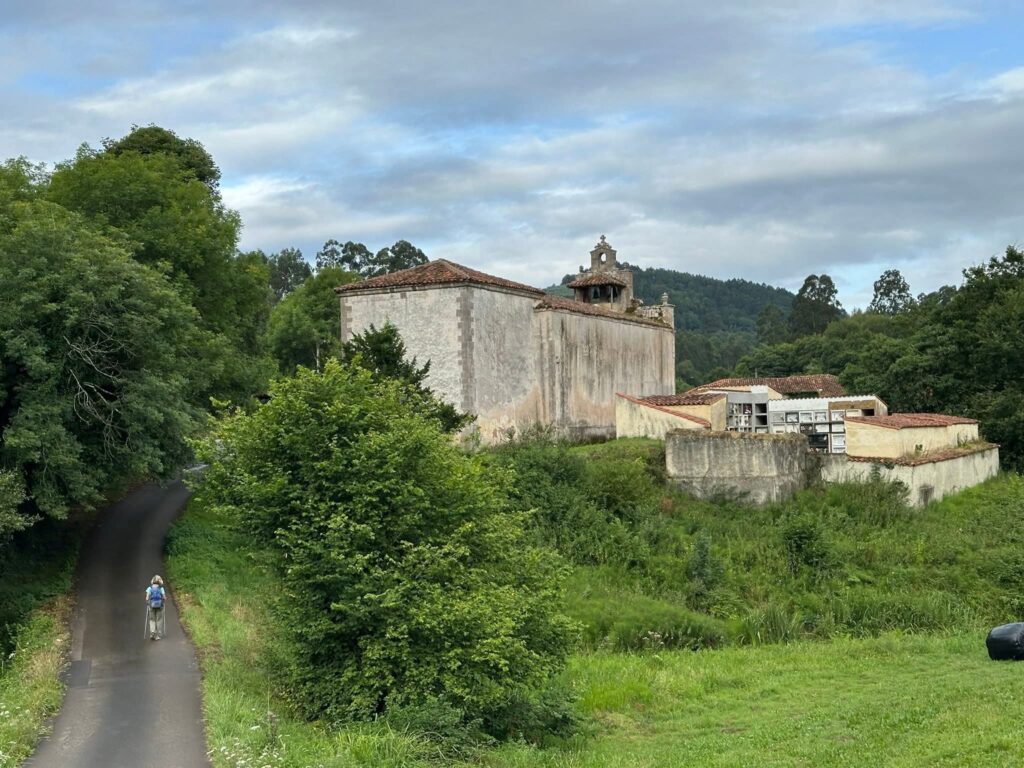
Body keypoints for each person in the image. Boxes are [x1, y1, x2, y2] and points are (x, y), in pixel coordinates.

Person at [145, 575, 166, 640]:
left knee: (152, 619)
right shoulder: (161, 589)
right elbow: (164, 597)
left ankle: (152, 633)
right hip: (159, 606)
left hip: (151, 606)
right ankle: (158, 635)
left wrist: (148, 602)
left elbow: (147, 598)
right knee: (159, 620)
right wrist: (164, 599)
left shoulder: (149, 588)